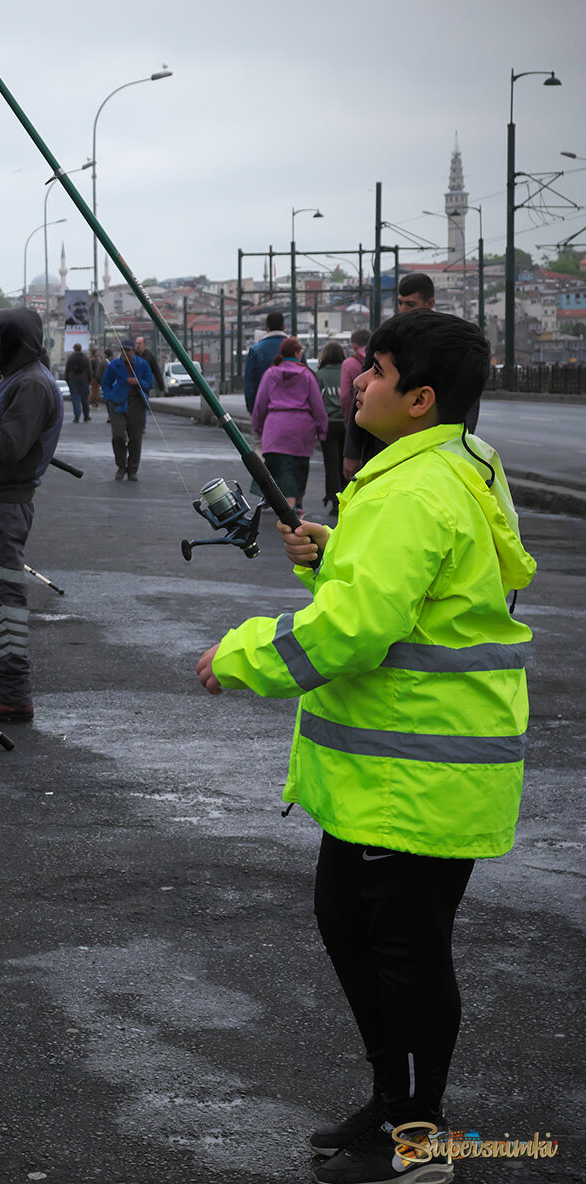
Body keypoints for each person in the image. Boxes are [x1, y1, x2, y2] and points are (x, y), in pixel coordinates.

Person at [197, 310, 535, 1184]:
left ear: (420, 400)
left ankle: (419, 1141)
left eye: (377, 372)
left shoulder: (408, 490)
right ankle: (395, 1106)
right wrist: (337, 548)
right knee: (350, 926)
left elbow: (353, 629)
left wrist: (237, 658)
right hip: (402, 773)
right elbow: (422, 585)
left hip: (414, 776)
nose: (357, 382)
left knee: (403, 953)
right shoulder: (457, 465)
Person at [0, 307, 63, 723]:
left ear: (14, 340)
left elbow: (9, 445)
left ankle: (14, 693)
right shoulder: (18, 380)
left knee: (1, 597)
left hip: (4, 509)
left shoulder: (33, 385)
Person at [250, 336, 327, 511]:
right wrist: (322, 431)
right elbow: (318, 406)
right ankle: (297, 505)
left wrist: (259, 428)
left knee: (281, 472)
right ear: (298, 353)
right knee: (299, 470)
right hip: (302, 431)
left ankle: (288, 508)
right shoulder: (307, 375)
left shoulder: (270, 374)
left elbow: (260, 404)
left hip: (275, 431)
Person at [99, 337, 152, 480]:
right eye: (123, 350)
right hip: (118, 404)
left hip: (137, 404)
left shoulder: (143, 365)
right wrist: (109, 397)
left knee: (135, 439)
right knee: (118, 436)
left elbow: (149, 383)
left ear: (133, 351)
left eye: (127, 350)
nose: (125, 353)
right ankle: (121, 466)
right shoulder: (114, 365)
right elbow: (106, 383)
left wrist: (138, 381)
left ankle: (132, 469)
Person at [315, 341, 348, 514]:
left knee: (331, 464)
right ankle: (347, 496)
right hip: (346, 423)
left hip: (329, 424)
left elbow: (317, 402)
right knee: (347, 461)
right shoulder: (347, 370)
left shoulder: (320, 375)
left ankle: (334, 500)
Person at [338, 327, 371, 485]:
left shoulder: (349, 363)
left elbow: (345, 396)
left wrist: (348, 418)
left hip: (358, 420)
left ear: (354, 344)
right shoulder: (382, 358)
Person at [242, 311, 288, 417]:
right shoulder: (295, 348)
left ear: (267, 328)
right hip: (294, 409)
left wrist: (251, 408)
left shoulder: (255, 350)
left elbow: (250, 383)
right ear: (284, 327)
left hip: (265, 408)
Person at [64, 342, 91, 423]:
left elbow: (67, 369)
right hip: (84, 380)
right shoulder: (85, 358)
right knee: (85, 399)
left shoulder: (71, 358)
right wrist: (89, 380)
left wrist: (67, 380)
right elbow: (89, 370)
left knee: (75, 399)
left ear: (74, 349)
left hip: (73, 380)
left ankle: (77, 417)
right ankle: (86, 416)